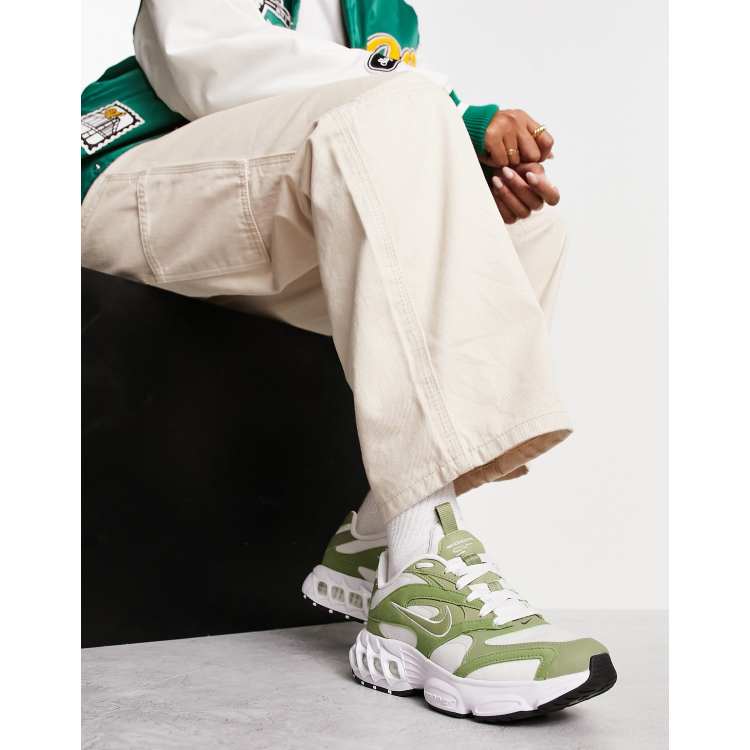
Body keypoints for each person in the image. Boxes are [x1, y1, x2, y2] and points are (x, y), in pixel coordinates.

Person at [81, 0, 617, 722]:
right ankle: (421, 587)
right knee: (402, 112)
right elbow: (198, 59)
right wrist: (448, 116)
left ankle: (381, 537)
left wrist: (460, 179)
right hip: (120, 180)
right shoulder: (397, 87)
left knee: (524, 230)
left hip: (247, 223)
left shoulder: (385, 14)